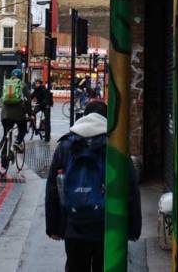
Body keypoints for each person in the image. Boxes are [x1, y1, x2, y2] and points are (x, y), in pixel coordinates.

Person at [45, 100, 142, 272]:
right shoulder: (116, 146)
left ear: (84, 116)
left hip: (74, 226)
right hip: (108, 226)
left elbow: (53, 188)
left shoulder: (66, 145)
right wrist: (133, 228)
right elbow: (130, 188)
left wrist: (53, 227)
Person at [0, 68, 29, 152]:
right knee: (23, 129)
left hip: (5, 114)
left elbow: (2, 98)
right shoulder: (23, 85)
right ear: (21, 76)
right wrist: (30, 114)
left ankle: (4, 154)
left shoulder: (6, 84)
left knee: (6, 133)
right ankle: (17, 142)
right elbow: (28, 101)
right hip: (18, 114)